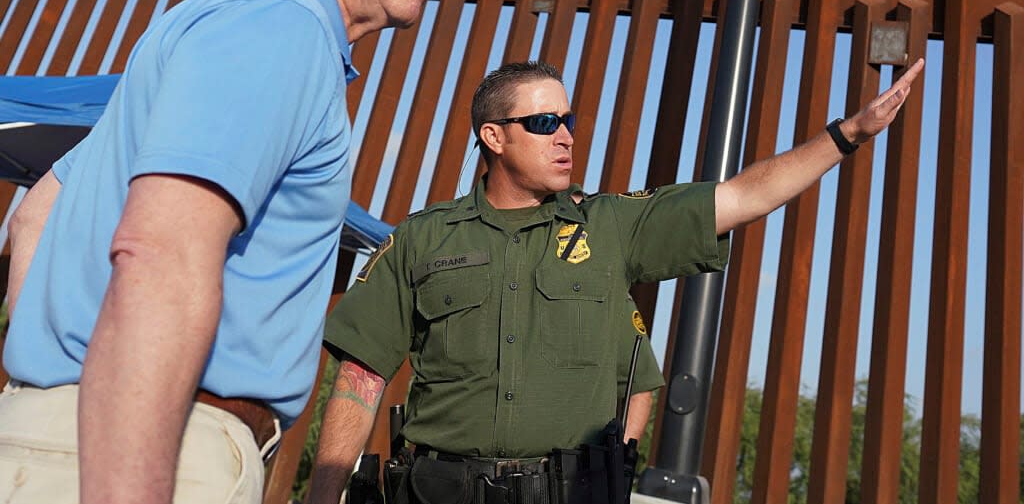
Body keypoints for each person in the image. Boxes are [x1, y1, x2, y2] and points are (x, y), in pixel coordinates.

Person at [0, 0, 456, 504]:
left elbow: (36, 213)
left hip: (62, 438)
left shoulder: (234, 17)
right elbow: (159, 251)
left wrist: (47, 377)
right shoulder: (283, 27)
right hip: (158, 447)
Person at [308, 57, 924, 504]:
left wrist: (848, 135)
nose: (567, 135)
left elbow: (743, 196)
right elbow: (361, 377)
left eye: (568, 119)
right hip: (436, 494)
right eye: (544, 122)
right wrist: (322, 499)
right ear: (493, 137)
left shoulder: (611, 225)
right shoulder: (422, 238)